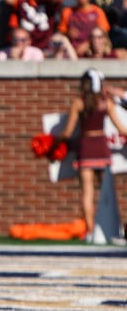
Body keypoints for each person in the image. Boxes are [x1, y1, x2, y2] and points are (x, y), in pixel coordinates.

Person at [58, 69, 127, 242]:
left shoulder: (78, 103)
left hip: (86, 147)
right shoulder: (106, 103)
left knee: (87, 192)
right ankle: (110, 228)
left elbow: (67, 132)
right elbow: (121, 128)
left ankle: (91, 231)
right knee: (107, 191)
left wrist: (53, 141)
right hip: (102, 148)